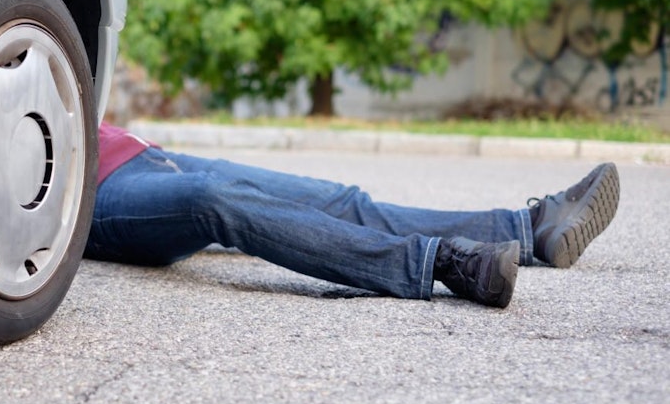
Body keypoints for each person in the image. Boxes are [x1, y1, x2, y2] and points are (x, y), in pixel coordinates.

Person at [84, 123, 621, 308]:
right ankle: (442, 265)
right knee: (212, 201)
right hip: (90, 196)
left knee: (341, 199)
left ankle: (531, 231)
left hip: (139, 151)